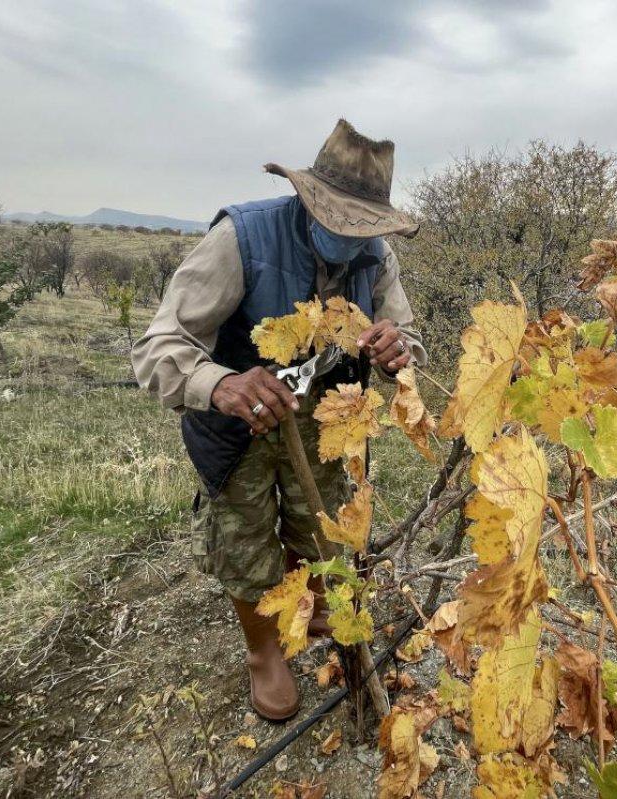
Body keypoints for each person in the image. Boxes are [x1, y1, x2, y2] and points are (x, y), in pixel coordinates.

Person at [131, 119, 427, 720]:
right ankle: (264, 651)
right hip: (238, 422)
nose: (350, 237)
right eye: (338, 221)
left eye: (361, 227)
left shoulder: (377, 256)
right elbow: (159, 344)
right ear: (307, 199)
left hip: (328, 420)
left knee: (321, 525)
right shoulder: (242, 237)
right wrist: (221, 384)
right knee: (245, 541)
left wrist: (399, 348)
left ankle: (311, 604)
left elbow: (408, 332)